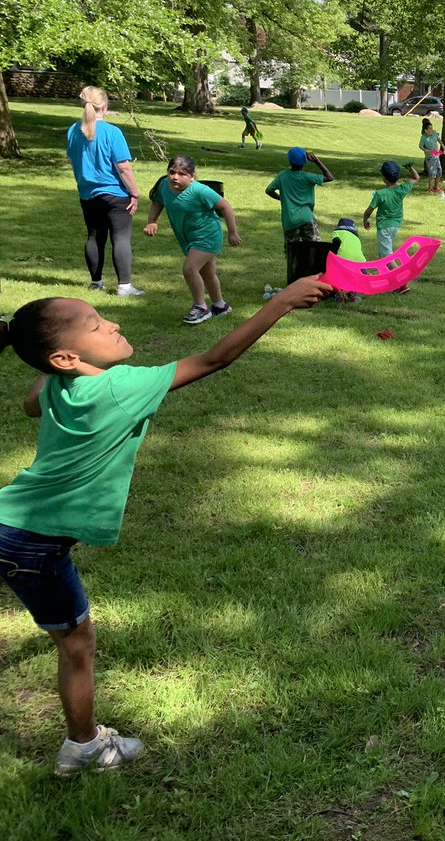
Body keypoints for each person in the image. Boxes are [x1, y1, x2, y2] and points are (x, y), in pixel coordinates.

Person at [0, 275, 330, 775]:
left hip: (12, 523)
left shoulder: (57, 386)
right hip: (30, 542)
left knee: (72, 636)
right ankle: (85, 748)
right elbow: (213, 359)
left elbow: (31, 402)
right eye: (95, 324)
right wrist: (281, 303)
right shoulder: (118, 388)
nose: (112, 324)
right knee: (77, 644)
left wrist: (50, 364)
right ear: (65, 357)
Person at [143, 155, 242, 325]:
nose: (175, 177)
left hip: (207, 235)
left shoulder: (200, 190)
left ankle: (200, 307)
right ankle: (220, 306)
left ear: (192, 177)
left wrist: (232, 232)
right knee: (207, 273)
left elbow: (225, 206)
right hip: (188, 237)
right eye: (172, 172)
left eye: (182, 174)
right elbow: (158, 202)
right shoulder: (164, 185)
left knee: (189, 269)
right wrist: (152, 221)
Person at [66, 86, 143, 297]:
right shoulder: (112, 132)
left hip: (87, 193)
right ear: (105, 105)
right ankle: (124, 287)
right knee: (121, 237)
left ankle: (96, 282)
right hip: (115, 194)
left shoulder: (73, 131)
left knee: (94, 236)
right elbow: (124, 167)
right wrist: (134, 192)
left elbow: (72, 161)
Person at [265, 147, 335, 284]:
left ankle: (294, 281)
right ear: (305, 162)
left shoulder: (282, 176)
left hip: (289, 220)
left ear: (289, 161)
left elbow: (268, 190)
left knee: (292, 252)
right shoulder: (307, 177)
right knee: (315, 249)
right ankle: (317, 280)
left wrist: (282, 198)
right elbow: (329, 177)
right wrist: (317, 162)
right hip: (307, 218)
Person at [363, 160, 419, 256]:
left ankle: (397, 267)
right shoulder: (402, 189)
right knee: (383, 252)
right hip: (396, 225)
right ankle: (384, 266)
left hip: (384, 227)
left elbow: (368, 212)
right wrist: (410, 168)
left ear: (384, 178)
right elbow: (416, 177)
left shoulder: (380, 194)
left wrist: (365, 220)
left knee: (386, 254)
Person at [419, 121, 443, 194]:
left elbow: (438, 140)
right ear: (425, 130)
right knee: (432, 173)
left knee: (439, 171)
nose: (431, 130)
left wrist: (443, 146)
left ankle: (436, 187)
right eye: (429, 128)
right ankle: (430, 189)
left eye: (432, 128)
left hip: (436, 155)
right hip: (430, 157)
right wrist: (426, 150)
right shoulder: (424, 137)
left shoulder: (435, 134)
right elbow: (420, 146)